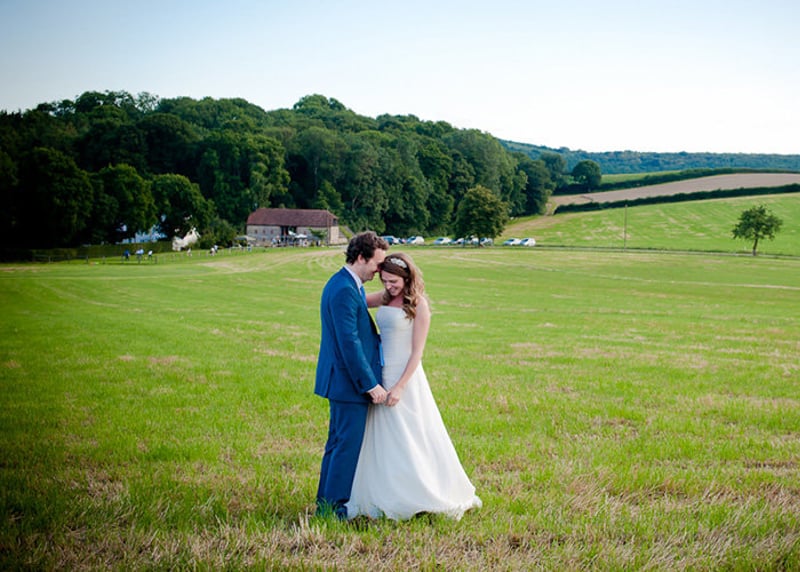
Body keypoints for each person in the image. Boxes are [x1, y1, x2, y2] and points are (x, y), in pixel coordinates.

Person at [346, 252, 482, 521]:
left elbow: (417, 353)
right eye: (384, 280)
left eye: (394, 281)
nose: (388, 286)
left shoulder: (419, 305)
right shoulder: (385, 297)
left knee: (412, 433)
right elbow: (355, 301)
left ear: (407, 278)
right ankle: (384, 491)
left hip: (405, 376)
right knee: (384, 434)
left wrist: (400, 387)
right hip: (381, 374)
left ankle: (421, 491)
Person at [315, 231, 389, 519]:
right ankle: (333, 510)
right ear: (361, 257)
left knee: (337, 445)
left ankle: (325, 505)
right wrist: (370, 384)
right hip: (348, 385)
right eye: (377, 264)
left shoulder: (346, 283)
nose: (379, 270)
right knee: (345, 447)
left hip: (341, 382)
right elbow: (350, 343)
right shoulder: (345, 289)